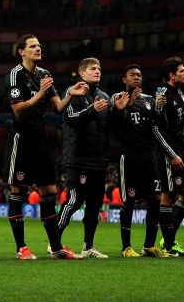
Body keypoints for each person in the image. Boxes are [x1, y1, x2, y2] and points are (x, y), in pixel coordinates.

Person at [4, 34, 88, 260]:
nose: (38, 49)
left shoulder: (44, 74)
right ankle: (21, 247)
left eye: (39, 45)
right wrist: (41, 92)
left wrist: (70, 92)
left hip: (41, 139)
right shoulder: (16, 75)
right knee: (18, 191)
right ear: (21, 51)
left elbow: (58, 107)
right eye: (33, 46)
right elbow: (18, 110)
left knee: (50, 191)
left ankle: (56, 247)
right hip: (21, 139)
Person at [113, 64, 175, 258]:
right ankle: (126, 247)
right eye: (132, 75)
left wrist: (160, 108)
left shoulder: (149, 99)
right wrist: (127, 105)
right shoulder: (117, 98)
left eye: (139, 75)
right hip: (129, 156)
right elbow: (114, 126)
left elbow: (158, 126)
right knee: (129, 200)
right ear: (124, 79)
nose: (137, 78)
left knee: (155, 199)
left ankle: (149, 245)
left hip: (149, 156)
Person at [57, 57, 113, 259]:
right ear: (81, 73)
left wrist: (121, 110)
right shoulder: (73, 92)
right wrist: (91, 109)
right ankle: (55, 243)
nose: (97, 71)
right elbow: (70, 119)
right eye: (92, 68)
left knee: (95, 204)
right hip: (78, 157)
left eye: (99, 68)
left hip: (99, 160)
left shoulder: (105, 97)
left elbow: (109, 128)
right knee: (74, 199)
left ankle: (88, 246)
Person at [156, 57, 184, 257]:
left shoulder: (179, 94)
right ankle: (169, 245)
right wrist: (171, 154)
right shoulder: (162, 94)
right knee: (168, 195)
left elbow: (180, 128)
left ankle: (169, 239)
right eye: (182, 70)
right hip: (167, 152)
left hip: (180, 148)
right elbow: (156, 129)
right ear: (172, 75)